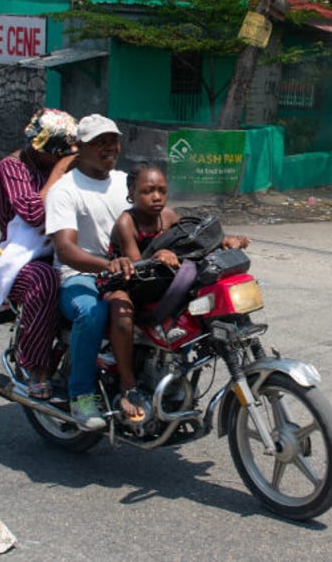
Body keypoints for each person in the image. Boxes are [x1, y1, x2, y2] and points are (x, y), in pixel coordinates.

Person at [103, 162, 250, 421]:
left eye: (162, 190)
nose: (157, 197)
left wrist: (223, 241)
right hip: (126, 282)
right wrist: (158, 254)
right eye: (148, 191)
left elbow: (193, 240)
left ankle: (177, 371)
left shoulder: (168, 216)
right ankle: (129, 386)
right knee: (122, 312)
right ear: (131, 194)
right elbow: (136, 265)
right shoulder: (127, 222)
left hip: (161, 283)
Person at [45, 114, 134, 431]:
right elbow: (66, 249)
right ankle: (81, 394)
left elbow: (158, 215)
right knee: (91, 312)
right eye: (100, 142)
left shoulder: (125, 182)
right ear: (79, 148)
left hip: (127, 269)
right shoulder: (65, 190)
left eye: (113, 140)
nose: (110, 147)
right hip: (79, 273)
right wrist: (106, 265)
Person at [0, 108, 78, 400]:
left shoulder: (67, 165)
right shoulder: (13, 167)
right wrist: (59, 172)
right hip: (22, 258)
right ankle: (36, 368)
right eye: (58, 154)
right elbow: (33, 212)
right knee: (45, 280)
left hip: (65, 248)